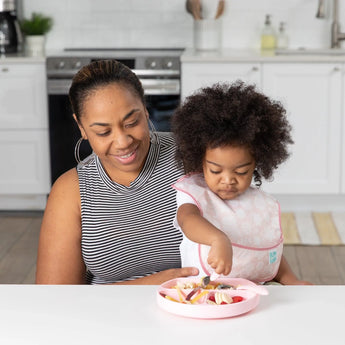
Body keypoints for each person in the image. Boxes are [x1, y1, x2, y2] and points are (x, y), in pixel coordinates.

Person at [35, 59, 198, 284]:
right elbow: (55, 296)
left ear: (145, 109)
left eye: (132, 122)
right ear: (81, 127)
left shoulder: (191, 157)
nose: (122, 142)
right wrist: (156, 284)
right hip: (105, 315)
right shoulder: (70, 191)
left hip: (195, 309)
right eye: (103, 132)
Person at [171, 81, 311, 285]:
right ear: (200, 161)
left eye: (241, 171)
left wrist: (290, 279)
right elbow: (187, 220)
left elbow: (267, 249)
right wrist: (217, 239)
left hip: (252, 294)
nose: (228, 179)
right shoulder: (193, 192)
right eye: (216, 170)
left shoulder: (258, 202)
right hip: (200, 292)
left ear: (257, 163)